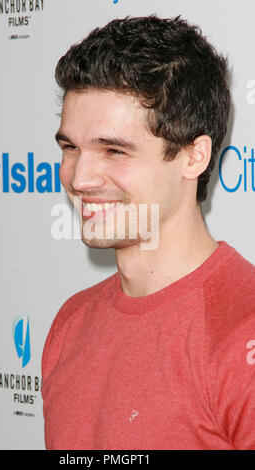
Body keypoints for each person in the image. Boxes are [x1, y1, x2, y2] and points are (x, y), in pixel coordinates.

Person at [41, 15, 255, 450]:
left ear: (193, 157)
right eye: (71, 148)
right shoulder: (70, 324)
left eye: (114, 150)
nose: (80, 178)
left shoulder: (241, 336)